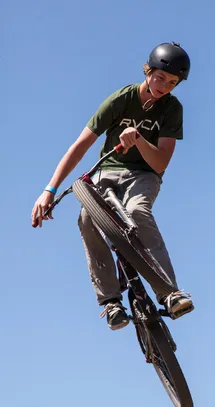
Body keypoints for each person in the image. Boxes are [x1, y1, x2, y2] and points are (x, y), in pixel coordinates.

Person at [31, 42, 194, 331]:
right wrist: (50, 189)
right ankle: (111, 302)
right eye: (160, 78)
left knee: (138, 211)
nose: (165, 86)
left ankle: (169, 294)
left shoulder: (172, 109)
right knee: (86, 218)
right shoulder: (122, 98)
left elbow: (159, 164)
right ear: (149, 70)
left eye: (172, 83)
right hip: (108, 170)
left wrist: (140, 139)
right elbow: (80, 146)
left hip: (143, 176)